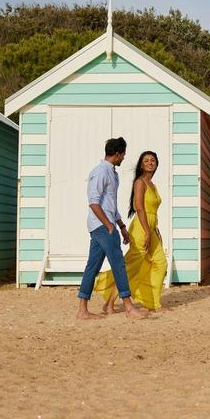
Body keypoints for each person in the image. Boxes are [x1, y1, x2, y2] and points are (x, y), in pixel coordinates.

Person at [76, 137, 148, 321]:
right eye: (123, 154)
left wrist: (122, 226)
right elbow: (93, 202)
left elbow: (110, 205)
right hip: (102, 226)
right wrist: (109, 225)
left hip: (103, 225)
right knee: (118, 264)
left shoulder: (112, 173)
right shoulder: (100, 172)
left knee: (92, 266)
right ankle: (129, 307)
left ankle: (82, 310)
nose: (124, 158)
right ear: (117, 154)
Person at [97, 150, 169, 314]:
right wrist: (147, 231)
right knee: (131, 267)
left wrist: (155, 230)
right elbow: (139, 207)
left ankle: (153, 302)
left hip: (151, 227)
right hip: (141, 228)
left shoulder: (152, 185)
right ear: (141, 165)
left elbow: (152, 212)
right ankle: (109, 303)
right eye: (146, 161)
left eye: (153, 160)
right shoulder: (140, 182)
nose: (150, 163)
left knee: (160, 263)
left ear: (157, 164)